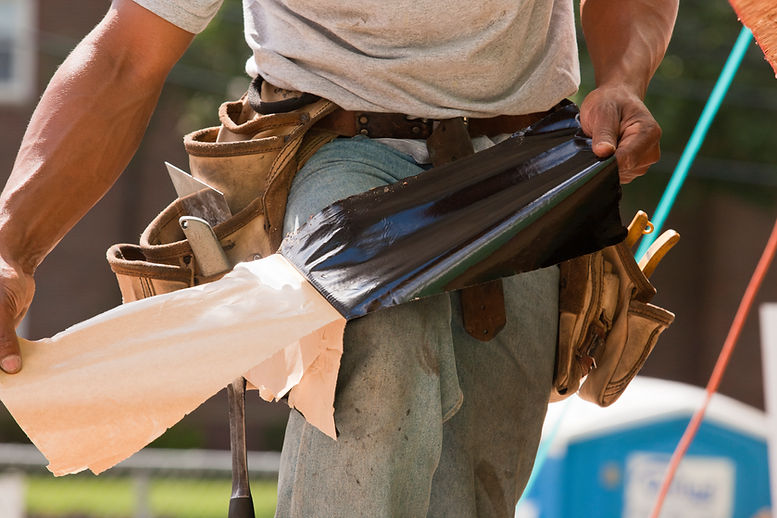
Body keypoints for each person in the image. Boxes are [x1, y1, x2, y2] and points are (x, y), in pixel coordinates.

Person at [0, 0, 678, 516]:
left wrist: (623, 78)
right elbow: (126, 55)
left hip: (524, 164)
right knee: (378, 350)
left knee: (477, 481)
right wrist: (11, 249)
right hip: (336, 140)